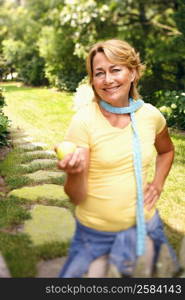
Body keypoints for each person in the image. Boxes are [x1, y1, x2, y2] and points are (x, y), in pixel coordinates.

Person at [56, 39, 179, 278]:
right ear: (92, 80)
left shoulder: (150, 115)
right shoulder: (83, 122)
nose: (108, 79)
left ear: (132, 72)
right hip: (94, 235)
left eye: (115, 69)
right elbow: (76, 196)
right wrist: (73, 173)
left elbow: (167, 150)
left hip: (147, 227)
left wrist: (158, 183)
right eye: (99, 73)